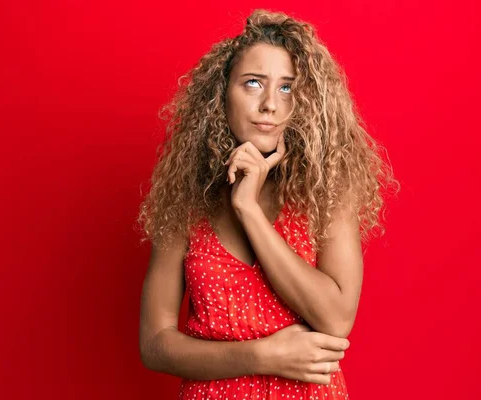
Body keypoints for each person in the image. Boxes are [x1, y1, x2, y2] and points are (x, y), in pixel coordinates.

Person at [137, 9, 399, 400]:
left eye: (287, 88)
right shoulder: (185, 198)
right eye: (253, 83)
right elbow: (155, 344)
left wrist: (249, 211)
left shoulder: (326, 190)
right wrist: (262, 356)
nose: (270, 105)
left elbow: (336, 318)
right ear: (221, 94)